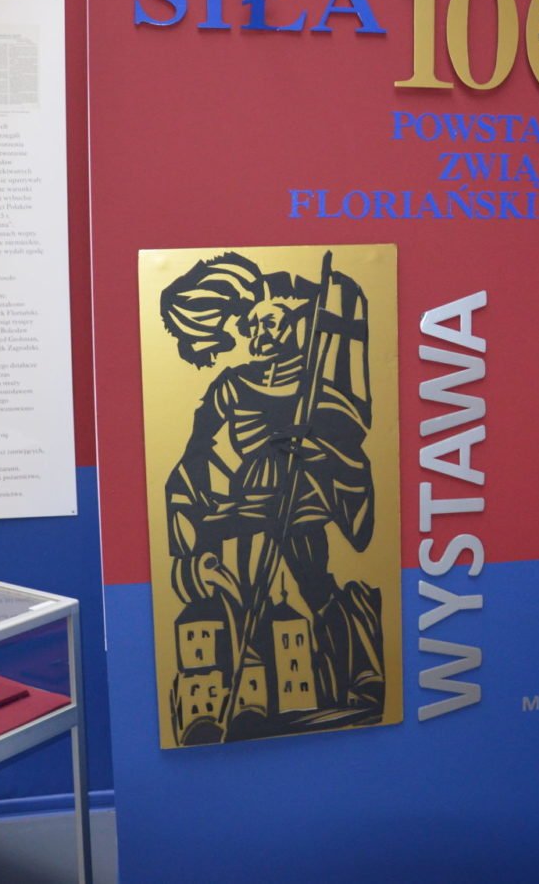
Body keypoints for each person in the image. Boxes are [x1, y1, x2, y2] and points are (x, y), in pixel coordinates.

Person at [163, 254, 385, 743]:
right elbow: (197, 448)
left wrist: (313, 445)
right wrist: (196, 498)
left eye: (273, 322)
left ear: (297, 327)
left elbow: (349, 436)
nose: (261, 332)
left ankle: (355, 676)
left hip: (300, 501)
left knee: (315, 587)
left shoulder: (315, 383)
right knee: (245, 594)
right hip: (247, 503)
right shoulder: (232, 384)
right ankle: (250, 699)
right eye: (257, 323)